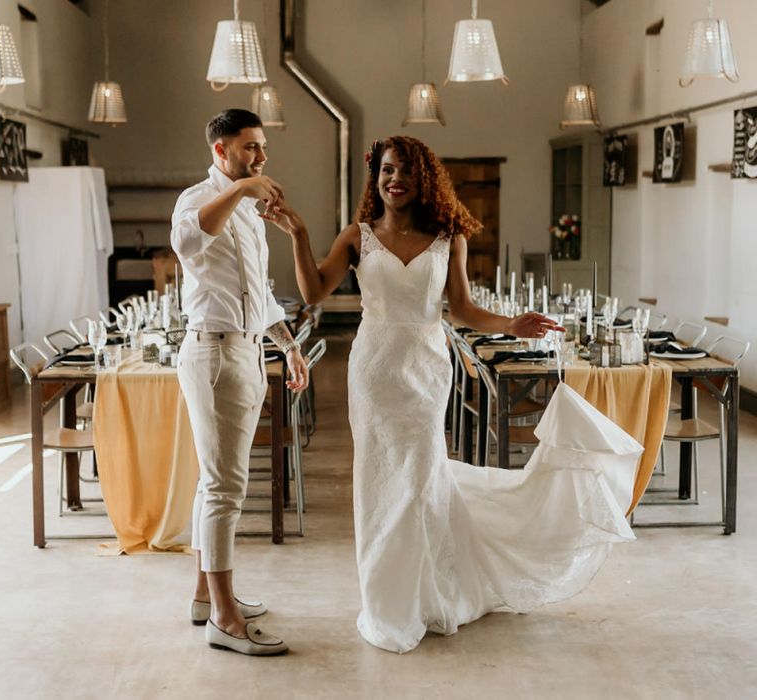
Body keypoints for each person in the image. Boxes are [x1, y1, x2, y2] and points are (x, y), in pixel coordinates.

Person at [264, 135, 635, 654]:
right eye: (388, 171)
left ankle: (425, 594)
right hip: (373, 371)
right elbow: (312, 291)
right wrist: (299, 235)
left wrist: (511, 324)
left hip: (426, 366)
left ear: (424, 181)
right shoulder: (357, 237)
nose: (395, 180)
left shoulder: (448, 238)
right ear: (377, 178)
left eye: (406, 173)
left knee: (418, 479)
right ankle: (386, 603)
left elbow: (460, 308)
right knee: (378, 481)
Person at [171, 109, 308, 656]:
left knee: (216, 485)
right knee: (226, 487)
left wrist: (289, 345)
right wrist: (245, 187)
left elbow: (261, 293)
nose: (261, 157)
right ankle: (225, 620)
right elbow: (189, 241)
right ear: (221, 150)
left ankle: (206, 597)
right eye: (251, 148)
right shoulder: (195, 199)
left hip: (248, 353)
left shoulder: (250, 212)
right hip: (212, 353)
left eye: (262, 148)